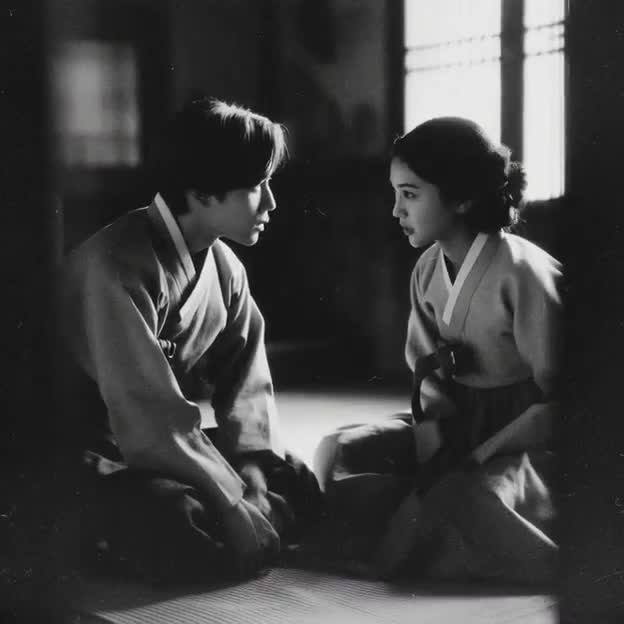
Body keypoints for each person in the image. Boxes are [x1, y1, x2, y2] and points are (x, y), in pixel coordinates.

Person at [57, 97, 323, 584]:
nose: (271, 202)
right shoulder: (115, 264)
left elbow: (247, 385)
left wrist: (250, 474)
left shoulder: (225, 267)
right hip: (90, 444)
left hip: (160, 441)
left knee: (294, 477)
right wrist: (231, 500)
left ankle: (225, 529)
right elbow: (146, 410)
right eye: (256, 187)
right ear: (201, 192)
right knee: (172, 515)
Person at [314, 117, 562, 584]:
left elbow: (566, 399)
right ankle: (426, 519)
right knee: (341, 452)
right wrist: (434, 453)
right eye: (395, 194)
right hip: (458, 423)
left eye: (409, 194)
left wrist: (475, 458)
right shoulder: (427, 269)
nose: (396, 210)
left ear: (462, 198)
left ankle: (433, 525)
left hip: (527, 438)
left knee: (469, 496)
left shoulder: (522, 272)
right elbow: (428, 379)